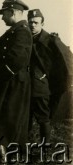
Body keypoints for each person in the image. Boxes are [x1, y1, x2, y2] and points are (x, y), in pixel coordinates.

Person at [0, 0, 32, 155]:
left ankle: (6, 154)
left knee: (9, 119)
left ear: (13, 12)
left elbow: (16, 59)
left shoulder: (22, 31)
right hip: (8, 82)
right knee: (1, 118)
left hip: (12, 84)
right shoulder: (15, 30)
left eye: (4, 13)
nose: (2, 18)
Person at [27, 9, 73, 142]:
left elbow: (67, 60)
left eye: (36, 22)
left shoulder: (51, 40)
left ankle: (44, 148)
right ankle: (27, 147)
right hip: (27, 85)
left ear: (42, 23)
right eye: (30, 22)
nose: (33, 25)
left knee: (43, 118)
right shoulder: (27, 39)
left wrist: (49, 76)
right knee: (26, 117)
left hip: (41, 87)